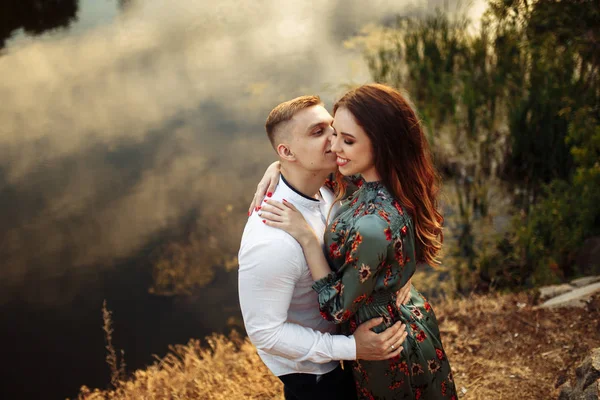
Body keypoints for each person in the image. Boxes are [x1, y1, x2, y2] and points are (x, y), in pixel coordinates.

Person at [257, 84, 458, 399]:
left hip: (385, 344)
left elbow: (337, 308)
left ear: (382, 146)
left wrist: (308, 239)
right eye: (334, 133)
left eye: (347, 141)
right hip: (401, 320)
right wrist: (282, 164)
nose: (334, 146)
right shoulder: (382, 181)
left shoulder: (371, 226)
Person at [238, 95, 413, 400]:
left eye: (333, 129)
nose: (334, 140)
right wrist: (352, 348)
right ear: (287, 150)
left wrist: (397, 270)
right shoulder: (271, 240)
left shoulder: (328, 185)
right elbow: (265, 333)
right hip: (315, 373)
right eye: (318, 133)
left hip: (347, 342)